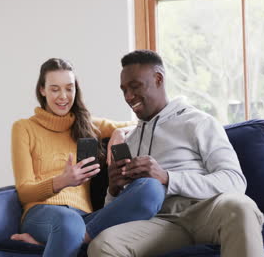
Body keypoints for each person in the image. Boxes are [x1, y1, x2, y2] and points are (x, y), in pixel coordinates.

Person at [88, 50, 264, 257]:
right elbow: (121, 211)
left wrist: (167, 177)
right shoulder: (130, 140)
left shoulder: (198, 122)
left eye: (135, 86)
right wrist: (114, 190)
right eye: (124, 90)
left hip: (205, 210)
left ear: (158, 79)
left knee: (241, 207)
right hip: (160, 222)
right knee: (103, 245)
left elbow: (235, 181)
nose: (128, 97)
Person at [10, 58, 165, 257]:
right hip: (42, 213)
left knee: (151, 190)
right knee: (68, 223)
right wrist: (62, 181)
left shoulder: (87, 124)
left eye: (69, 88)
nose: (63, 96)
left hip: (85, 218)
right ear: (42, 90)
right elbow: (24, 192)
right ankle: (64, 235)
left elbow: (139, 124)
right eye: (55, 89)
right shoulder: (24, 128)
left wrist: (120, 132)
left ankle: (62, 239)